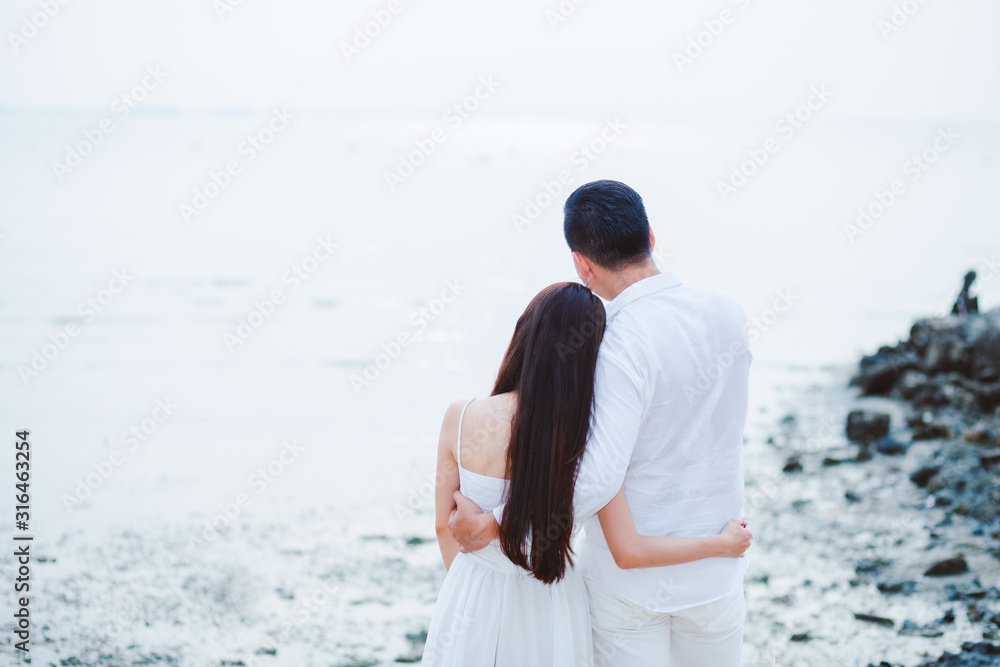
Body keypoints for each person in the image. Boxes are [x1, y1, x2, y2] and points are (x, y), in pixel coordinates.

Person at [450, 180, 754, 666]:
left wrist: (496, 524)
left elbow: (597, 478)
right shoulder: (729, 314)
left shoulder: (616, 341)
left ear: (582, 264)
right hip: (717, 569)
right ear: (650, 237)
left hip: (631, 589)